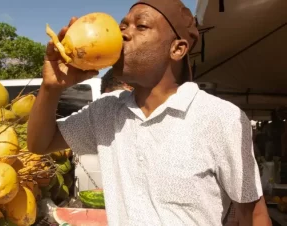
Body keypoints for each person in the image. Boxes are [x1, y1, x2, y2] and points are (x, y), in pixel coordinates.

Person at [27, 0, 271, 225]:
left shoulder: (220, 118)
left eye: (140, 26)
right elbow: (40, 143)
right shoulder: (107, 111)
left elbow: (253, 214)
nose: (123, 33)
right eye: (122, 25)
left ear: (177, 49)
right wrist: (51, 87)